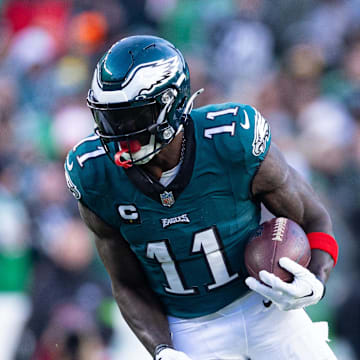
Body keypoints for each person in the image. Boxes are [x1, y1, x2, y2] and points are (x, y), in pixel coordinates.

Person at [64, 35, 338, 359]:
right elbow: (127, 284)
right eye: (108, 118)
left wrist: (316, 280)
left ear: (171, 103)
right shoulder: (94, 174)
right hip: (188, 327)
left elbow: (314, 217)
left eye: (130, 117)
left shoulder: (231, 140)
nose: (117, 133)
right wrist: (162, 350)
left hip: (265, 306)